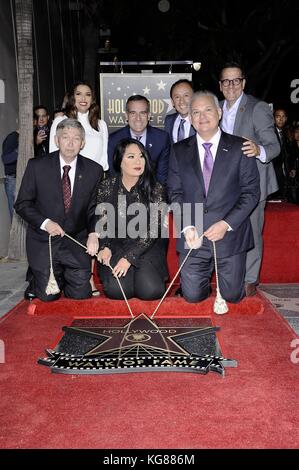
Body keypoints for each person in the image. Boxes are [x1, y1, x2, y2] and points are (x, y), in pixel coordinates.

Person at [167, 91, 260, 305]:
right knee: (192, 297)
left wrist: (226, 224)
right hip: (194, 236)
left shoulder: (240, 147)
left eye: (208, 109)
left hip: (229, 235)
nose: (202, 116)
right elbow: (174, 192)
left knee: (232, 297)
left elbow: (251, 192)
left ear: (218, 112)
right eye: (196, 112)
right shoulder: (178, 150)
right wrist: (187, 226)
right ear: (190, 118)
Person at [14, 119, 103, 302]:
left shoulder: (95, 170)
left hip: (75, 241)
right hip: (44, 241)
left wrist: (94, 233)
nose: (70, 143)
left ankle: (61, 274)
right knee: (49, 296)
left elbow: (95, 209)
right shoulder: (36, 166)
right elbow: (22, 204)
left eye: (76, 138)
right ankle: (36, 276)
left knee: (80, 294)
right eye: (65, 137)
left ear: (82, 143)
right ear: (56, 140)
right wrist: (45, 223)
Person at [219, 61, 280, 297]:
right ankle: (230, 275)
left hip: (253, 181)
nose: (231, 85)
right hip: (226, 183)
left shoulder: (258, 107)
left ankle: (250, 279)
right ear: (220, 85)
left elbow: (274, 146)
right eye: (226, 81)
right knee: (228, 229)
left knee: (253, 230)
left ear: (243, 82)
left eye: (236, 80)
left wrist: (258, 150)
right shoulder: (216, 108)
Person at [49, 81, 109, 295]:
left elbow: (103, 161)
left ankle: (89, 277)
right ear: (72, 97)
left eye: (88, 94)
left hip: (93, 184)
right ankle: (59, 272)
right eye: (78, 94)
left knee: (91, 231)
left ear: (93, 99)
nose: (83, 98)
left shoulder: (100, 125)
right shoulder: (60, 121)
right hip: (67, 184)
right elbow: (52, 154)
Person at [97, 138, 168, 300]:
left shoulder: (155, 189)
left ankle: (143, 274)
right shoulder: (106, 187)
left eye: (141, 156)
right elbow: (103, 223)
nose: (138, 161)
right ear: (119, 161)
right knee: (117, 292)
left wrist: (129, 258)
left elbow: (153, 230)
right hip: (117, 244)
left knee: (150, 291)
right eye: (131, 156)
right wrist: (106, 246)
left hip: (146, 246)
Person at [108, 95, 171, 185]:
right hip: (123, 193)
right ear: (126, 115)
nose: (138, 118)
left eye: (142, 113)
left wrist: (153, 197)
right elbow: (114, 175)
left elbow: (162, 176)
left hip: (152, 192)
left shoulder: (162, 138)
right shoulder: (114, 140)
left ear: (149, 115)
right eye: (133, 113)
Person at [164, 79, 196, 143]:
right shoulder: (169, 120)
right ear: (172, 102)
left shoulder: (202, 120)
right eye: (177, 97)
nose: (182, 101)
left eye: (186, 95)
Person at [271, 108, 292, 200]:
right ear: (273, 118)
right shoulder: (269, 132)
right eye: (278, 116)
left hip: (282, 173)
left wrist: (289, 168)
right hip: (271, 172)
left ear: (286, 119)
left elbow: (288, 154)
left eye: (283, 117)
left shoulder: (287, 133)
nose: (281, 119)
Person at [1, 130, 19, 221]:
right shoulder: (13, 137)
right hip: (13, 180)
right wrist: (19, 150)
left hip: (18, 179)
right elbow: (6, 159)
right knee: (15, 216)